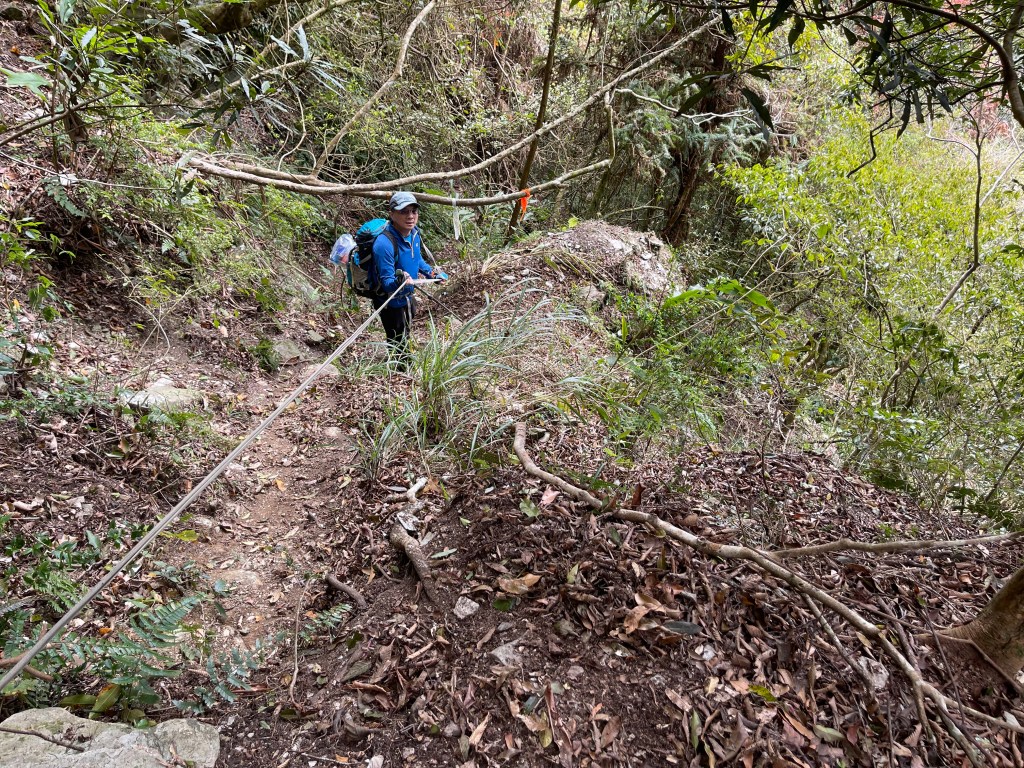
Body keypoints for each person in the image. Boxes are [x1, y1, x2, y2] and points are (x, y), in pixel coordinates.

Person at [372, 191, 446, 367]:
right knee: (397, 338)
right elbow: (387, 283)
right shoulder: (384, 244)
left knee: (405, 330)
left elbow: (417, 259)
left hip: (407, 294)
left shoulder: (414, 233)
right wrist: (400, 280)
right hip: (390, 301)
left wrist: (432, 274)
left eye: (413, 211)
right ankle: (401, 371)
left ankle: (404, 364)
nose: (410, 216)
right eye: (404, 212)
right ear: (392, 214)